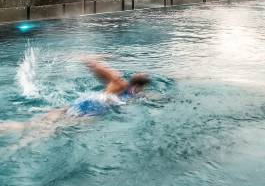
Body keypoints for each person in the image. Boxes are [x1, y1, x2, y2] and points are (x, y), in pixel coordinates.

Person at [0, 58, 152, 140]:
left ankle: (4, 127)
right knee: (49, 131)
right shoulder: (132, 93)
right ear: (141, 86)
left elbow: (98, 68)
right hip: (94, 108)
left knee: (34, 123)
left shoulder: (118, 83)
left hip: (86, 100)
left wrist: (94, 61)